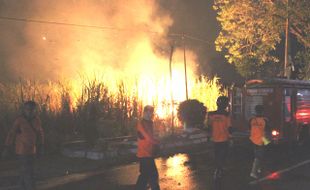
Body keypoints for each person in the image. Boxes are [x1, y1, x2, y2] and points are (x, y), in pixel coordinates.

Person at [2, 101, 44, 190]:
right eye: (28, 109)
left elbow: (40, 133)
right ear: (24, 110)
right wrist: (7, 146)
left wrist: (41, 145)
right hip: (22, 151)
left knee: (27, 171)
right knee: (28, 171)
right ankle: (31, 187)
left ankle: (22, 187)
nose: (30, 111)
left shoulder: (36, 120)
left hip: (32, 150)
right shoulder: (19, 121)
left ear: (35, 110)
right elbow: (11, 133)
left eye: (32, 109)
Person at [207, 96, 233, 179]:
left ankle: (217, 170)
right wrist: (232, 137)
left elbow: (208, 126)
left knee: (217, 155)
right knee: (223, 155)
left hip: (214, 139)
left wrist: (209, 136)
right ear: (225, 105)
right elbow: (230, 128)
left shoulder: (211, 114)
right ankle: (219, 170)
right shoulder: (226, 115)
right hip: (224, 139)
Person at [135, 105, 160, 190]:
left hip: (149, 153)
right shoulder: (141, 124)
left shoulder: (150, 123)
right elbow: (147, 137)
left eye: (151, 112)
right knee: (152, 175)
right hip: (143, 154)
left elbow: (151, 136)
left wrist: (156, 142)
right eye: (148, 112)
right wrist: (156, 142)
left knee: (145, 176)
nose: (150, 114)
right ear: (144, 112)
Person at [249, 105, 270, 179]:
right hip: (261, 140)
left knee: (258, 155)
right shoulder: (265, 120)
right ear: (262, 111)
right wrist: (267, 141)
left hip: (253, 140)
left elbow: (250, 128)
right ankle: (253, 172)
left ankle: (258, 168)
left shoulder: (252, 120)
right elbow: (267, 131)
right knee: (259, 156)